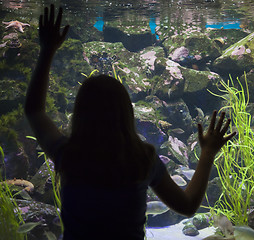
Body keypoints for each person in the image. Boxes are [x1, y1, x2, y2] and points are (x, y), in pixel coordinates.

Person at [24, 5, 236, 240]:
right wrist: (207, 153)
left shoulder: (70, 154)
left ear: (80, 113)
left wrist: (47, 51)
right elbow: (186, 206)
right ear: (126, 113)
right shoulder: (142, 158)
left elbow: (34, 111)